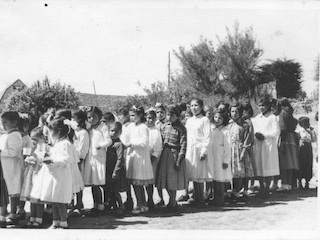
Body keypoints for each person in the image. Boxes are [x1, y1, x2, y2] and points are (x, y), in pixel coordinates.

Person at [30, 117, 77, 229]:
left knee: (60, 200)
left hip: (61, 176)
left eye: (51, 131)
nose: (49, 133)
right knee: (54, 199)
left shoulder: (65, 143)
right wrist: (48, 156)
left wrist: (52, 160)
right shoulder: (57, 143)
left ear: (58, 131)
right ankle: (55, 222)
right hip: (54, 175)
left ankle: (63, 223)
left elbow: (67, 159)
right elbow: (55, 155)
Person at [156, 104, 188, 212]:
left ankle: (173, 202)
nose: (170, 117)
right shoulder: (165, 126)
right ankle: (170, 201)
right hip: (165, 154)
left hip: (175, 155)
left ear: (178, 116)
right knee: (165, 180)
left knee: (172, 180)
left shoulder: (181, 128)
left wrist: (179, 160)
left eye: (172, 115)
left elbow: (183, 145)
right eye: (168, 114)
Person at [83, 106, 112, 216]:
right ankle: (95, 204)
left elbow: (109, 141)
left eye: (93, 117)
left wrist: (101, 146)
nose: (91, 119)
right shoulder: (90, 128)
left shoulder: (103, 127)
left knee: (97, 182)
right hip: (90, 158)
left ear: (99, 116)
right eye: (89, 117)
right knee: (92, 183)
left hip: (99, 158)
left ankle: (101, 205)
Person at [125, 106, 154, 214]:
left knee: (139, 182)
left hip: (141, 157)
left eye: (133, 115)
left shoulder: (143, 127)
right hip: (133, 156)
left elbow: (145, 143)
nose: (131, 118)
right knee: (135, 183)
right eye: (130, 115)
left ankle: (142, 205)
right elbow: (125, 137)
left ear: (140, 115)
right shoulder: (131, 126)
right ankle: (141, 204)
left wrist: (132, 144)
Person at [185, 98, 212, 207]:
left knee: (200, 174)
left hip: (199, 149)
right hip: (190, 149)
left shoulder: (205, 120)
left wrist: (204, 151)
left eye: (196, 105)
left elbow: (208, 137)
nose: (194, 108)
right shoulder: (189, 120)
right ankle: (194, 196)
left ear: (201, 107)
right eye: (192, 106)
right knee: (193, 173)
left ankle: (200, 199)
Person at [251, 97, 280, 197]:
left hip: (268, 144)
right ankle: (261, 187)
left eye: (264, 105)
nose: (262, 107)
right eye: (260, 105)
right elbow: (254, 130)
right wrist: (256, 135)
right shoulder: (257, 118)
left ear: (268, 106)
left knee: (267, 165)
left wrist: (264, 135)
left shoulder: (272, 117)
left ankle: (267, 187)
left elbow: (276, 132)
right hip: (258, 144)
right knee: (259, 164)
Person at [0, 111, 23, 225]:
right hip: (3, 166)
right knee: (4, 189)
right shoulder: (4, 135)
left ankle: (13, 213)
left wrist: (1, 152)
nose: (3, 125)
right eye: (2, 122)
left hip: (12, 167)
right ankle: (3, 212)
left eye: (6, 122)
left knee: (13, 189)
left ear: (14, 122)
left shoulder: (15, 135)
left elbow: (14, 152)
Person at [228, 101, 254, 202]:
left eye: (236, 112)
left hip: (241, 149)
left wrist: (243, 151)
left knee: (242, 171)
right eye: (232, 111)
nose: (234, 114)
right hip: (231, 149)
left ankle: (243, 191)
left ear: (240, 112)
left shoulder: (245, 124)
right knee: (234, 172)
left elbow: (247, 139)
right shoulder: (229, 124)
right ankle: (235, 191)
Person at [22, 127, 47, 228]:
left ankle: (39, 219)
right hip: (32, 174)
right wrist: (28, 160)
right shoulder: (33, 148)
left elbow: (43, 160)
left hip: (40, 175)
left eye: (35, 139)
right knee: (32, 198)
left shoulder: (44, 148)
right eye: (32, 139)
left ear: (43, 138)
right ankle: (32, 217)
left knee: (38, 199)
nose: (33, 141)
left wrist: (36, 160)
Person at [277, 98, 299, 191]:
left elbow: (283, 127)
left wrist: (281, 141)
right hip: (291, 138)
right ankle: (289, 184)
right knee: (290, 162)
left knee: (284, 161)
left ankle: (284, 184)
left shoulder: (282, 114)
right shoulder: (290, 113)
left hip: (285, 138)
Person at [210, 109, 231, 206]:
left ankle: (221, 198)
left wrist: (226, 160)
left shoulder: (226, 131)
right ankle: (215, 197)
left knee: (220, 179)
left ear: (224, 119)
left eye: (220, 118)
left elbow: (227, 146)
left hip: (221, 156)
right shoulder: (213, 130)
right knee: (214, 178)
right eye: (215, 117)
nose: (217, 119)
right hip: (213, 156)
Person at [106, 122, 126, 215]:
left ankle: (121, 206)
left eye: (116, 131)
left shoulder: (119, 144)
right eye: (112, 131)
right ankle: (113, 206)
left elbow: (120, 158)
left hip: (115, 170)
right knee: (109, 189)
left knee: (115, 190)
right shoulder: (108, 142)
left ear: (120, 132)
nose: (113, 133)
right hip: (108, 169)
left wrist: (116, 171)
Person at [71, 109, 90, 214]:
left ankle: (79, 203)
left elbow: (83, 149)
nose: (72, 120)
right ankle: (72, 203)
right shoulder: (73, 131)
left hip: (78, 161)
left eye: (74, 118)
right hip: (71, 160)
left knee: (78, 182)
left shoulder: (83, 133)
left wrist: (78, 159)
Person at [17, 116, 33, 220]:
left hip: (22, 165)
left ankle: (21, 209)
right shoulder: (16, 137)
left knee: (21, 187)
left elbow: (27, 153)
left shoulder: (27, 139)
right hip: (15, 165)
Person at [118, 106, 134, 211]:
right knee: (125, 177)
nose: (119, 117)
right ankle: (129, 199)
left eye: (121, 115)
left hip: (130, 152)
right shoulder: (122, 126)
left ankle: (134, 200)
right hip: (122, 153)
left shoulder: (132, 126)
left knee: (132, 178)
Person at [145, 110, 163, 210]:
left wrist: (154, 156)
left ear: (155, 119)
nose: (149, 120)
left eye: (151, 118)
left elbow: (158, 146)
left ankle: (150, 199)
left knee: (150, 180)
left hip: (152, 158)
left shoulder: (156, 131)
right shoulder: (144, 129)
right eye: (147, 118)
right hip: (143, 157)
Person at [296, 117, 317, 189]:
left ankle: (307, 182)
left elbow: (314, 140)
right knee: (301, 163)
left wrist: (311, 132)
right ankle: (299, 182)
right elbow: (299, 138)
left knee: (308, 163)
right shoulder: (299, 130)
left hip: (308, 148)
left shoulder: (310, 131)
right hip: (301, 148)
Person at [154, 103, 167, 206]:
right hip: (157, 151)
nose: (159, 114)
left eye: (162, 112)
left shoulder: (168, 124)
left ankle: (170, 198)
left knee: (165, 175)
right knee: (157, 176)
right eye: (157, 112)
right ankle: (160, 198)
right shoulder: (155, 124)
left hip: (166, 150)